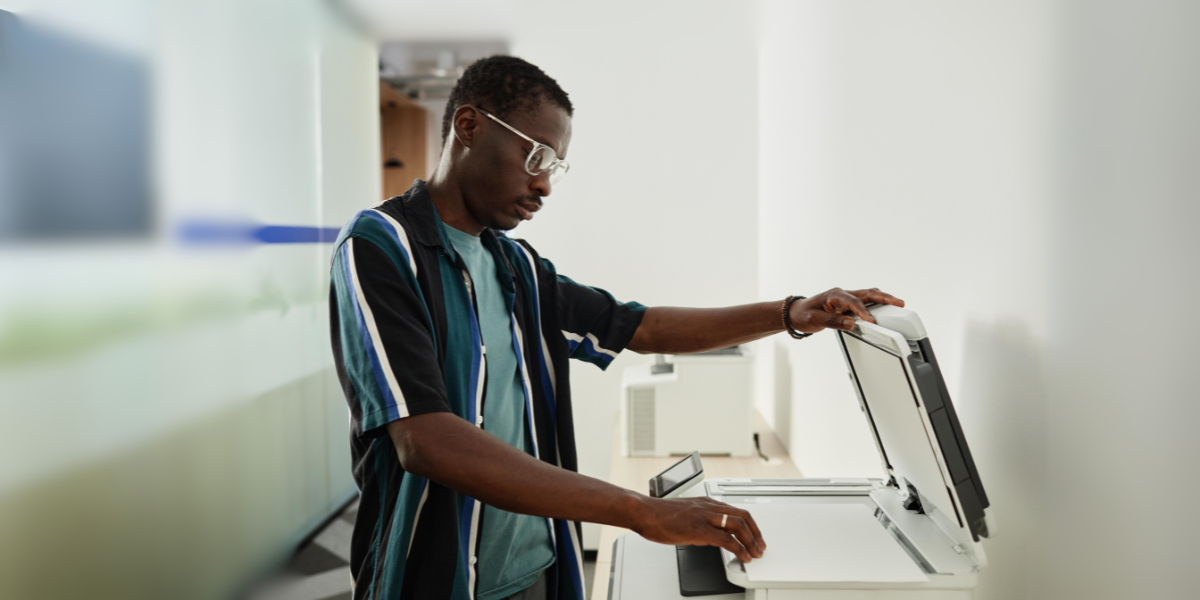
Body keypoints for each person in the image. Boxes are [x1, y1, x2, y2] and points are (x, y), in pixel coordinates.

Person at [328, 55, 903, 600]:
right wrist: (643, 512)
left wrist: (789, 313)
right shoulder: (381, 247)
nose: (545, 185)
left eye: (554, 166)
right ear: (470, 126)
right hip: (434, 576)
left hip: (536, 566)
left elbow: (640, 326)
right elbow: (426, 442)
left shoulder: (516, 267)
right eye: (535, 158)